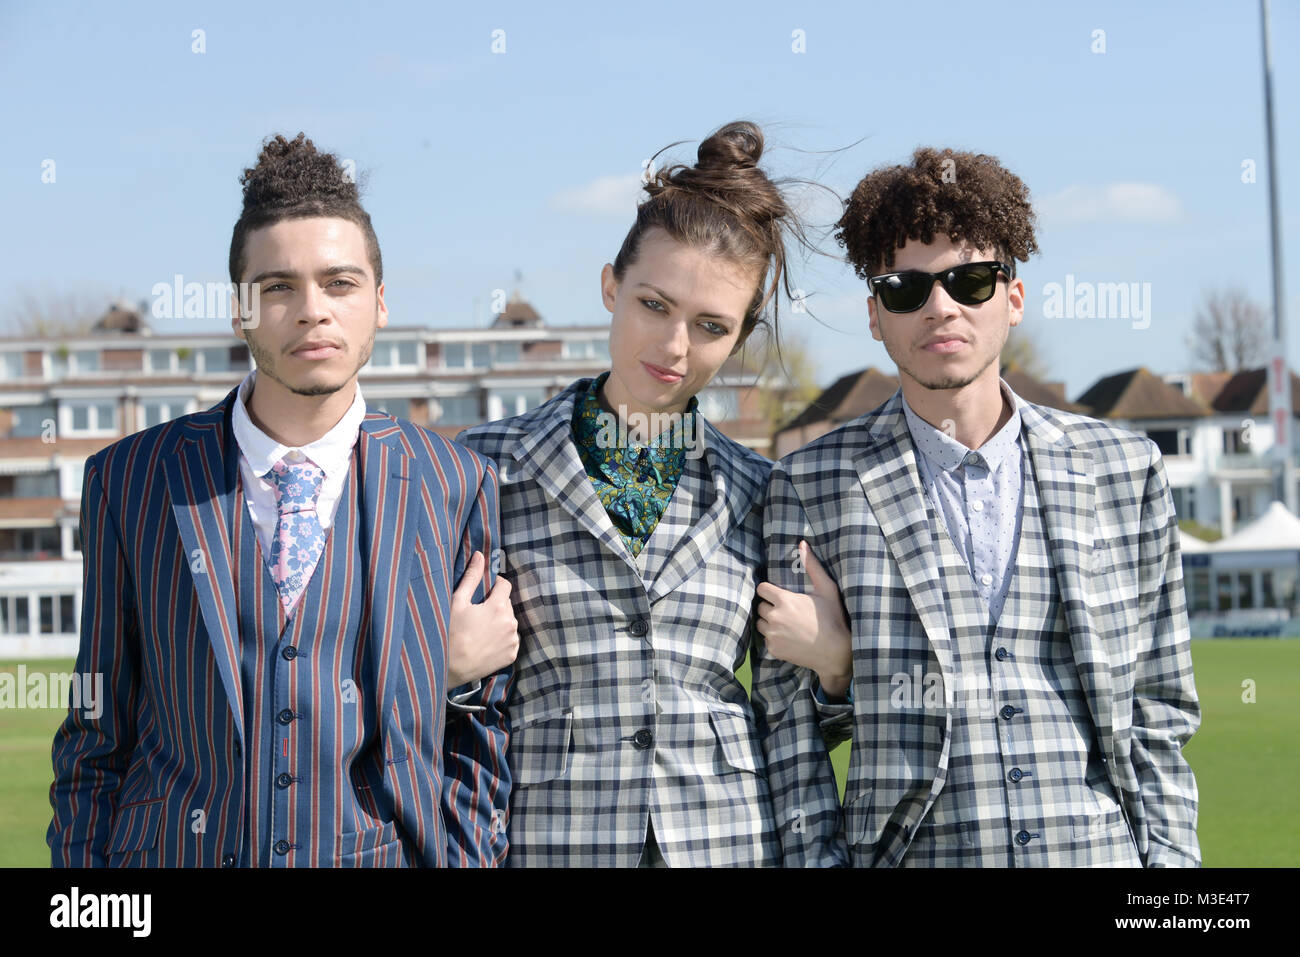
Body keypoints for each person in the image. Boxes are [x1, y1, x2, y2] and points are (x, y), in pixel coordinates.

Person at [48, 133, 513, 867]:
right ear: (238, 309)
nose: (311, 311)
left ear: (380, 303)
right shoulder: (130, 479)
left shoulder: (455, 484)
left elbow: (481, 728)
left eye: (339, 283)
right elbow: (94, 734)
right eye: (277, 287)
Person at [759, 147, 1200, 867]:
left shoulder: (1125, 471)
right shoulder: (809, 484)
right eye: (906, 288)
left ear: (1013, 298)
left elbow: (1159, 709)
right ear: (875, 314)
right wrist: (836, 672)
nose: (941, 307)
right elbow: (787, 730)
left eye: (969, 280)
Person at [458, 121, 844, 867]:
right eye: (653, 305)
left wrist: (835, 670)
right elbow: (449, 711)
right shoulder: (483, 470)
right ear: (611, 285)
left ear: (741, 334)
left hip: (729, 846)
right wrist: (444, 676)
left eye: (710, 326)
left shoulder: (762, 492)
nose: (674, 348)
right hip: (552, 846)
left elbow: (795, 726)